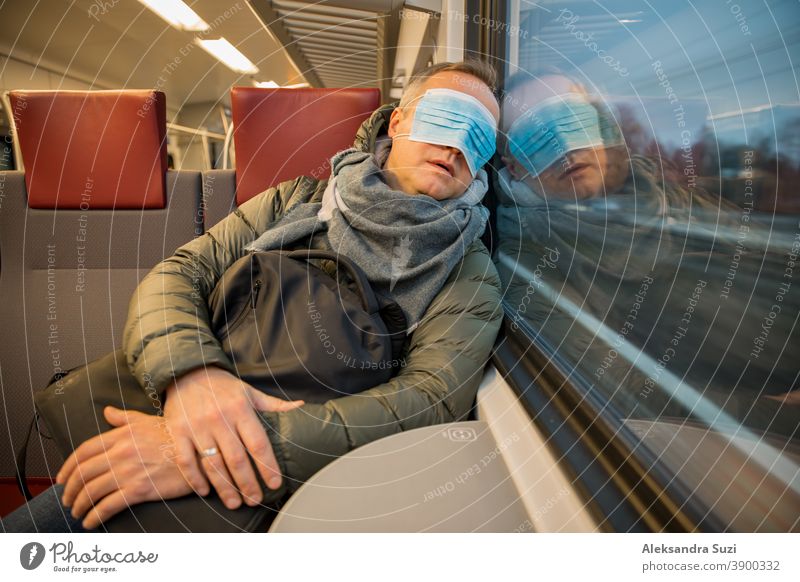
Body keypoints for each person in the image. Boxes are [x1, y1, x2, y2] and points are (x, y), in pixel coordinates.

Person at [2, 60, 503, 532]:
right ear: (396, 123)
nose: (455, 145)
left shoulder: (468, 271)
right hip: (173, 405)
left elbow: (429, 401)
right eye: (445, 119)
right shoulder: (296, 200)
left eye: (478, 137)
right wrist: (193, 376)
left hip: (291, 467)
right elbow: (180, 275)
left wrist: (220, 447)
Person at [494, 71, 798, 434]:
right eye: (535, 138)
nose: (565, 146)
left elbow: (772, 252)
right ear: (515, 166)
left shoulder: (662, 196)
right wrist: (777, 415)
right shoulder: (529, 259)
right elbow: (625, 388)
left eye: (572, 121)